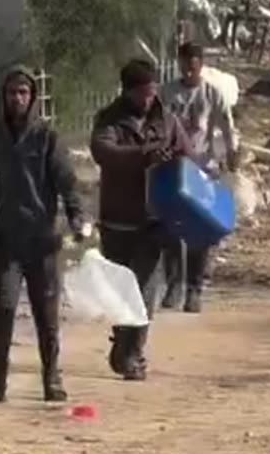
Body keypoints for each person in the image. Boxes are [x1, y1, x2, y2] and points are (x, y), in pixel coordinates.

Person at [0, 68, 89, 403]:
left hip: (42, 240)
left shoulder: (47, 137)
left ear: (33, 97)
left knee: (46, 313)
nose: (18, 98)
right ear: (4, 96)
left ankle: (52, 380)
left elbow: (66, 182)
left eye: (24, 92)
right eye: (12, 92)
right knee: (5, 309)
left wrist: (76, 216)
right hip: (7, 240)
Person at [91, 59, 189, 381]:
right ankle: (122, 342)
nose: (149, 99)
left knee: (146, 292)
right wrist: (143, 155)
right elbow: (104, 153)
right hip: (118, 218)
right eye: (143, 94)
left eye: (152, 92)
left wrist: (176, 164)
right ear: (128, 91)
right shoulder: (110, 121)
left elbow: (185, 155)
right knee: (122, 291)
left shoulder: (167, 121)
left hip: (154, 220)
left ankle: (134, 354)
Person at [159, 43, 239, 313]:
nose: (189, 69)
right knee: (170, 231)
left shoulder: (211, 94)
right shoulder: (168, 92)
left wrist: (231, 153)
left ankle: (194, 288)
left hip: (201, 169)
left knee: (197, 233)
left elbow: (227, 126)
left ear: (201, 65)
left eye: (194, 64)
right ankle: (173, 284)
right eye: (185, 64)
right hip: (171, 168)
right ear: (179, 63)